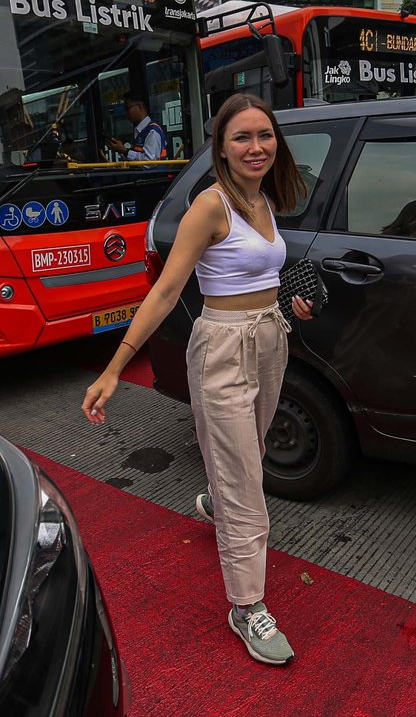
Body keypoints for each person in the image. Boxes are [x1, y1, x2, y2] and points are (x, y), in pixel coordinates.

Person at [82, 93, 312, 665]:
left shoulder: (264, 200)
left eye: (264, 135)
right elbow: (165, 290)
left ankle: (216, 496)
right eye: (242, 138)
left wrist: (290, 300)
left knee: (248, 454)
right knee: (247, 492)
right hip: (223, 349)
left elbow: (254, 271)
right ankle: (246, 606)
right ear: (222, 148)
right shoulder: (210, 206)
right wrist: (115, 367)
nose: (256, 146)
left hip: (270, 338)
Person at [107, 91, 168, 161]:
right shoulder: (140, 131)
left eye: (128, 108)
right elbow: (136, 158)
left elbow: (149, 161)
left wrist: (124, 151)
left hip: (154, 172)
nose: (126, 113)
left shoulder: (152, 131)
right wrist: (121, 151)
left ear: (140, 106)